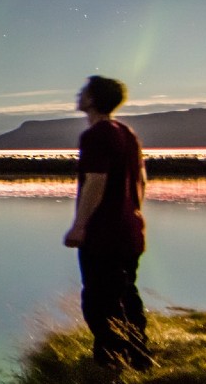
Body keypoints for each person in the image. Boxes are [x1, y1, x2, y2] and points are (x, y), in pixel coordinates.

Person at [63, 75, 151, 368]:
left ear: (93, 99)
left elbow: (96, 182)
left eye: (84, 90)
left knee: (99, 302)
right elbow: (141, 180)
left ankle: (111, 363)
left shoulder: (96, 135)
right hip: (130, 232)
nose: (79, 93)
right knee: (126, 295)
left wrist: (79, 225)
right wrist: (134, 212)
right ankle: (139, 356)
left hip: (104, 235)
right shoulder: (127, 132)